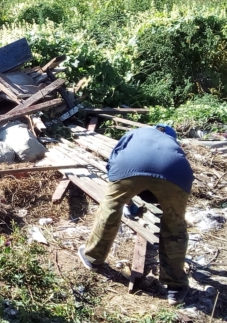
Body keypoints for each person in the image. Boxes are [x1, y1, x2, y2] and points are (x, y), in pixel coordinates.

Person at [78, 124, 194, 306]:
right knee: (175, 225)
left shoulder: (136, 132)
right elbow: (157, 179)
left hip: (129, 166)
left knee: (110, 209)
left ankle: (93, 258)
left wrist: (126, 199)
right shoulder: (172, 144)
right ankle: (175, 287)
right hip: (176, 173)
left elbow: (113, 164)